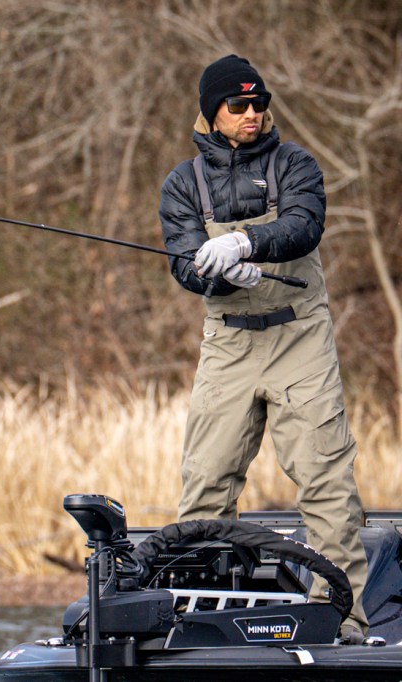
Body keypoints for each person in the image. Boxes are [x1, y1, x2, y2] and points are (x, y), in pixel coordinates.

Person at [158, 54, 368, 642]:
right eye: (238, 104)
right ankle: (199, 616)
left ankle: (344, 618)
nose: (252, 113)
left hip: (300, 339)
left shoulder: (295, 163)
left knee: (326, 482)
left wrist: (244, 243)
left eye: (259, 103)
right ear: (212, 113)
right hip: (227, 344)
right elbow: (184, 265)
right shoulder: (182, 184)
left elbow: (303, 224)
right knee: (206, 482)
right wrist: (219, 275)